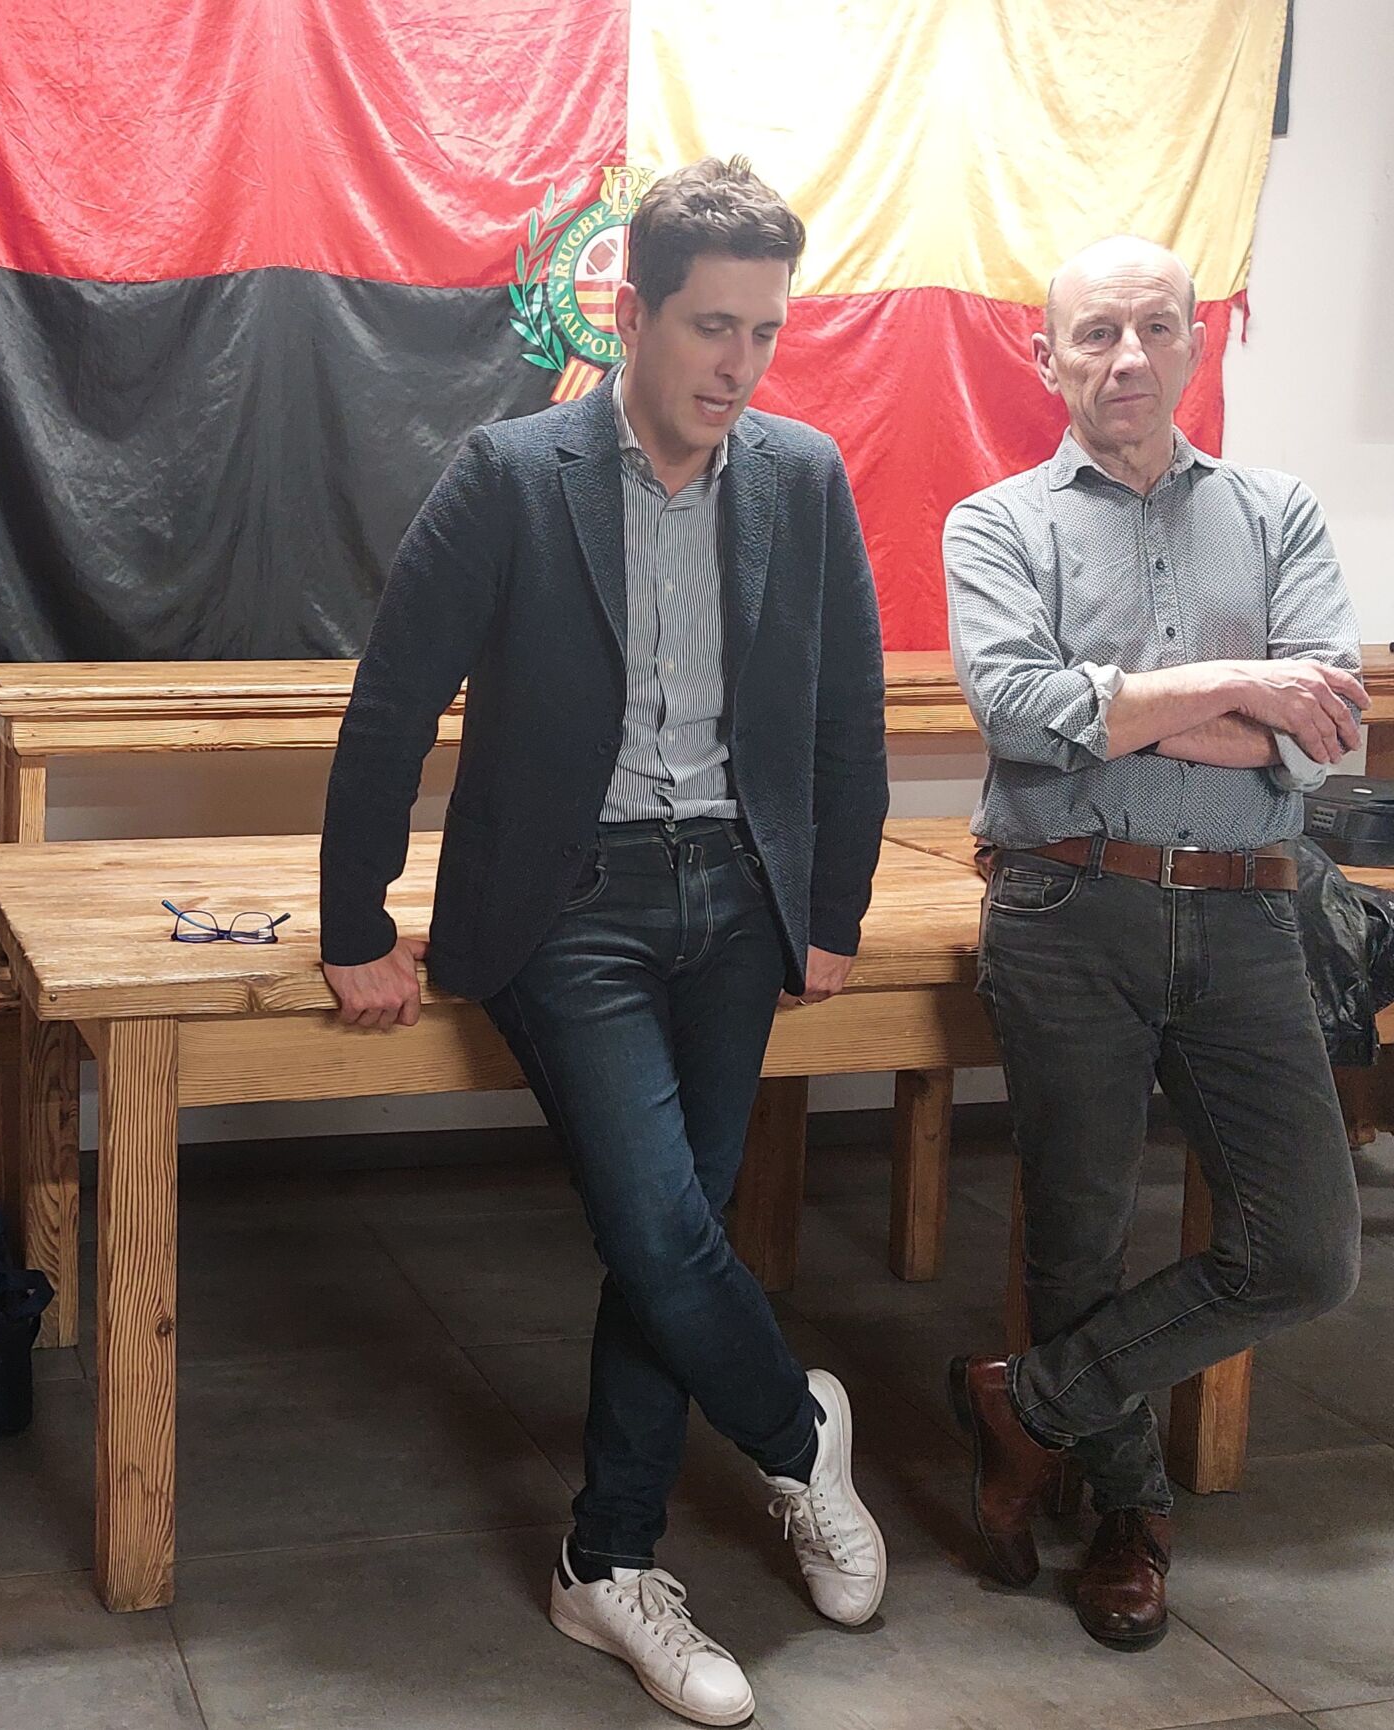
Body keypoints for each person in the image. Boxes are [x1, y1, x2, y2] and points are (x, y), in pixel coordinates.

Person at [319, 156, 890, 1725]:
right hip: (567, 903)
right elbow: (392, 701)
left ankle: (607, 1559)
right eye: (711, 326)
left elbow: (845, 713)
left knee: (669, 1233)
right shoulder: (512, 474)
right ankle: (799, 1434)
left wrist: (831, 907)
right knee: (660, 1223)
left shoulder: (803, 477)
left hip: (741, 898)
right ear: (632, 314)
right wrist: (357, 920)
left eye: (764, 331)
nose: (738, 363)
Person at [944, 234, 1365, 1652]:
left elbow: (1327, 733)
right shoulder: (996, 525)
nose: (1127, 356)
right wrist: (1246, 685)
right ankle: (1130, 1513)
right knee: (1075, 1236)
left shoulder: (1278, 512)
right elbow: (1022, 713)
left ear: (1198, 340)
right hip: (1067, 908)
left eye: (1155, 328)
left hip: (1247, 907)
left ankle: (1029, 1401)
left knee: (1305, 1249)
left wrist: (1118, 706)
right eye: (1095, 333)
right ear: (1046, 356)